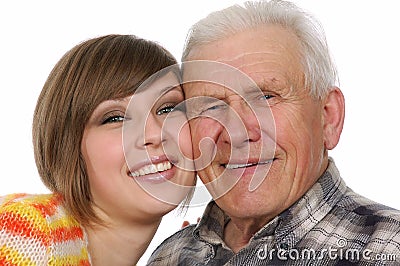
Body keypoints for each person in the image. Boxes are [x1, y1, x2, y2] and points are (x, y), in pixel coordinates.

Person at [147, 1, 400, 265]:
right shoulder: (169, 256)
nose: (236, 133)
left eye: (266, 97)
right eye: (211, 105)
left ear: (328, 117)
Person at [0, 34, 195, 265]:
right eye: (115, 118)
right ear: (67, 146)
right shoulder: (25, 231)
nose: (154, 134)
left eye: (168, 108)